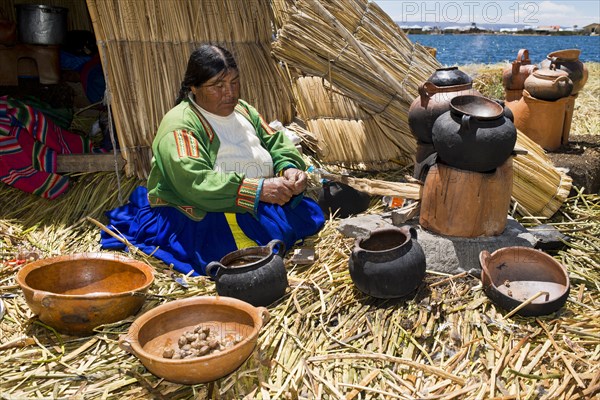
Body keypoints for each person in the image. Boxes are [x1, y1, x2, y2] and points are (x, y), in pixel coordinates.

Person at [100, 44, 325, 275]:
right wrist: (257, 189)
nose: (230, 93)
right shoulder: (180, 126)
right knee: (241, 256)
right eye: (218, 85)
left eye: (234, 82)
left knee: (308, 215)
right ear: (194, 87)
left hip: (260, 196)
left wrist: (288, 168)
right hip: (212, 207)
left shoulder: (244, 110)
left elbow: (275, 141)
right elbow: (195, 183)